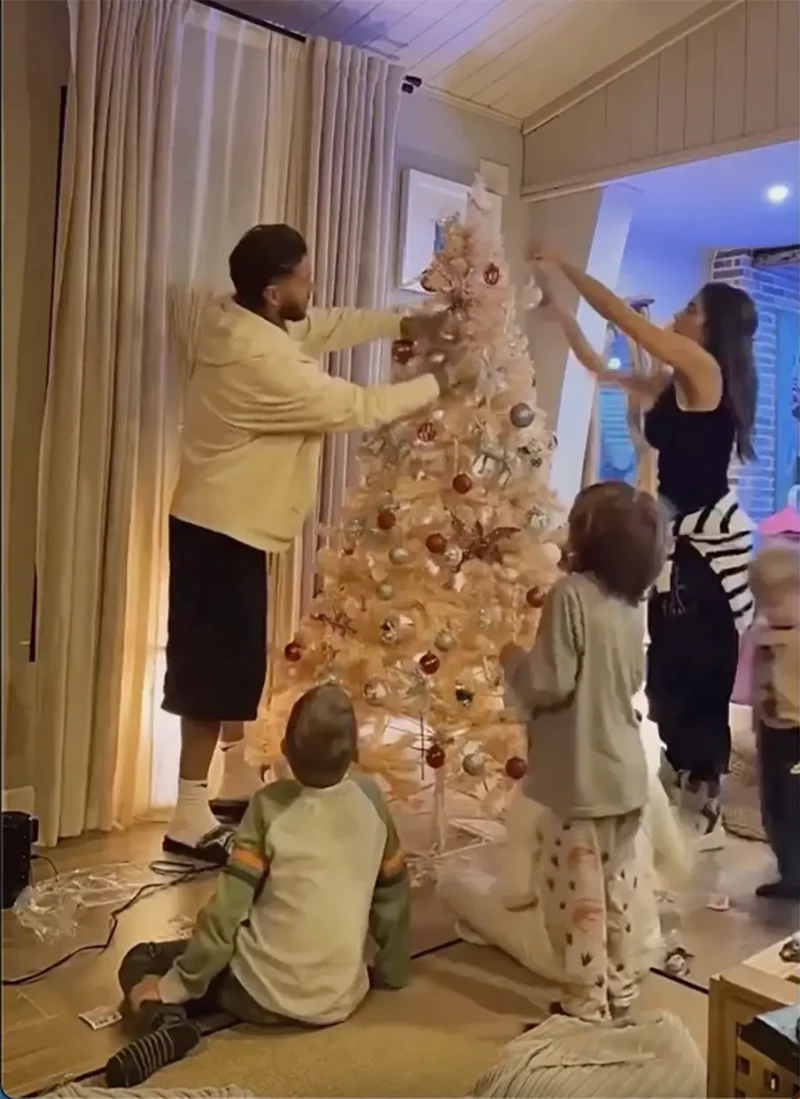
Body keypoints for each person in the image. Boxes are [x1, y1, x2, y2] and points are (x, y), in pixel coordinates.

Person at [165, 223, 458, 864]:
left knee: (238, 663)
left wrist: (403, 326)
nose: (312, 286)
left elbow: (323, 325)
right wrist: (444, 383)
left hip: (230, 523)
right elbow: (356, 406)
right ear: (273, 292)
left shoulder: (245, 317)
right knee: (208, 673)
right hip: (219, 528)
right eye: (303, 276)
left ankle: (235, 778)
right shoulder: (258, 361)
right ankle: (187, 815)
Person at [531, 252, 758, 847]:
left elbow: (629, 324)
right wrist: (561, 313)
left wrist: (566, 267)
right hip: (675, 542)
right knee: (670, 668)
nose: (680, 315)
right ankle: (681, 785)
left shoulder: (703, 368)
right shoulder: (675, 383)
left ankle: (702, 797)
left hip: (707, 545)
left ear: (708, 329)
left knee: (696, 666)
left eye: (690, 309)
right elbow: (594, 366)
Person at [107, 684, 410, 1088]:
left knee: (141, 959)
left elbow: (224, 917)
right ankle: (183, 1008)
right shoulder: (373, 800)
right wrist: (391, 968)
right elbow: (392, 893)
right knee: (216, 961)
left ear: (284, 748)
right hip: (339, 997)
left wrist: (175, 984)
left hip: (259, 995)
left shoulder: (269, 806)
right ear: (354, 753)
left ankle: (166, 1024)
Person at [500, 481, 666, 1022]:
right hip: (625, 775)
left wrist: (513, 662)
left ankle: (584, 1005)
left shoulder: (570, 595)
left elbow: (551, 682)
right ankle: (619, 989)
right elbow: (633, 676)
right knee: (616, 892)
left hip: (580, 781)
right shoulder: (632, 603)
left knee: (575, 904)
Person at [748, 541, 799, 899]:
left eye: (780, 601)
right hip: (771, 732)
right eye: (764, 602)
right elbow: (758, 682)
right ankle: (790, 872)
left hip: (798, 733)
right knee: (773, 804)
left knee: (796, 803)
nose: (771, 610)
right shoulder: (762, 635)